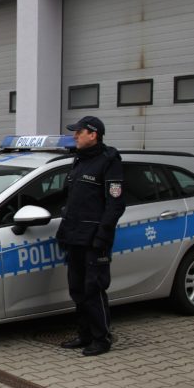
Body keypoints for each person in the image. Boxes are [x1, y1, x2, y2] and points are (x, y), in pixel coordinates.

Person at [56, 116, 126, 356]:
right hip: (74, 237)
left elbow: (115, 205)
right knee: (77, 289)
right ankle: (84, 335)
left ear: (93, 134)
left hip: (95, 240)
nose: (75, 136)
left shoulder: (109, 161)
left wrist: (102, 237)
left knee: (93, 289)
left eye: (79, 132)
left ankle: (101, 339)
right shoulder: (79, 160)